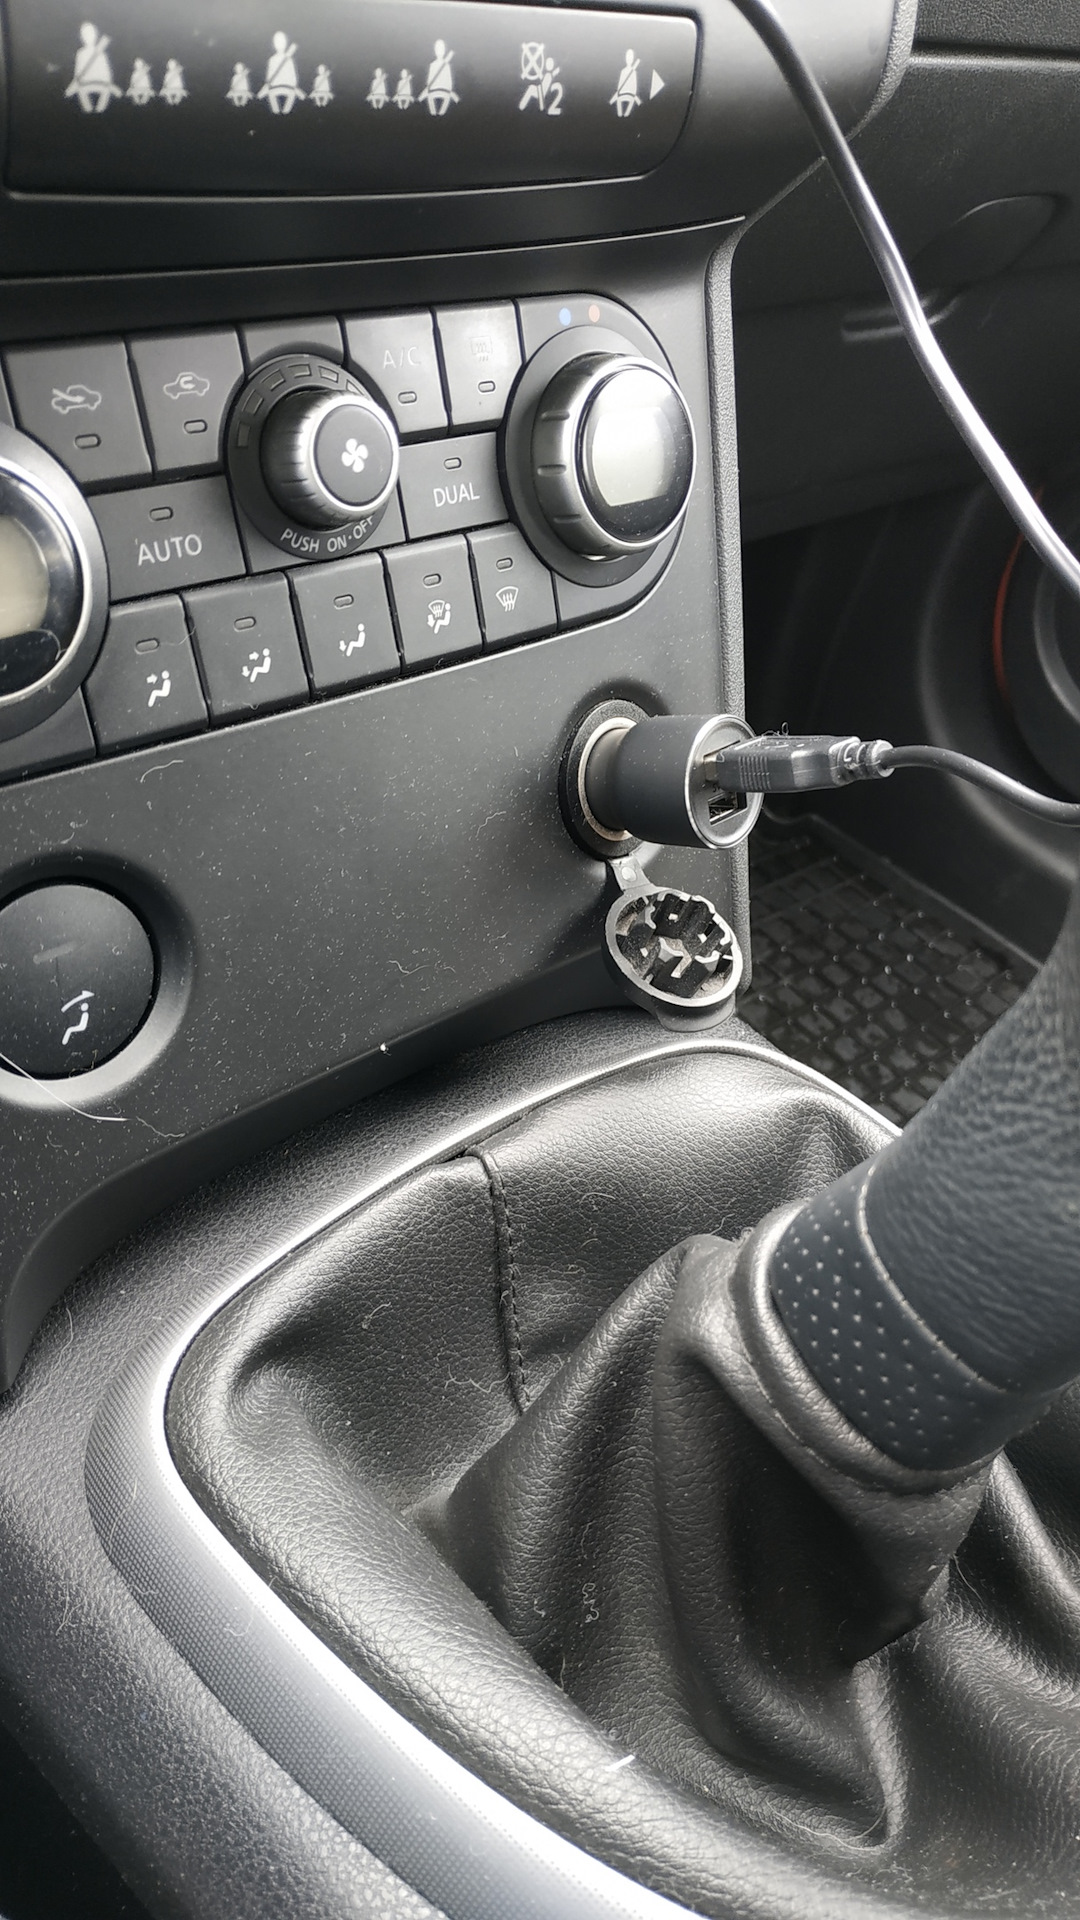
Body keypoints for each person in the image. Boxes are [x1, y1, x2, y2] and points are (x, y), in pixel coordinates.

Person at [65, 23, 121, 114]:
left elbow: (106, 70)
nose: (88, 37)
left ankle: (100, 111)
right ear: (81, 37)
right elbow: (78, 72)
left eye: (91, 33)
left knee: (106, 92)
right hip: (84, 83)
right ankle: (88, 111)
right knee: (81, 93)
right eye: (85, 34)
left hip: (101, 82)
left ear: (96, 35)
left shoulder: (102, 54)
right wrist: (74, 84)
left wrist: (109, 83)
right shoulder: (80, 53)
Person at [258, 33, 304, 115]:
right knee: (270, 96)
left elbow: (293, 75)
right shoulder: (272, 59)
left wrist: (294, 86)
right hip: (274, 86)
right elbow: (269, 76)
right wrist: (268, 85)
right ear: (274, 44)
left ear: (286, 43)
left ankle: (286, 112)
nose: (279, 44)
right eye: (277, 42)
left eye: (282, 42)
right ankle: (276, 113)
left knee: (292, 95)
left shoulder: (289, 60)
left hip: (288, 85)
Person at [419, 39, 458, 117]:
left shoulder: (447, 66)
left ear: (444, 50)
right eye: (437, 48)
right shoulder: (432, 65)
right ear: (435, 50)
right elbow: (429, 80)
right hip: (433, 89)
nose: (439, 51)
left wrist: (450, 90)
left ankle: (441, 115)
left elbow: (449, 79)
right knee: (430, 101)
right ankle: (434, 115)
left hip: (445, 89)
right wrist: (427, 89)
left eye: (441, 48)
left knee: (447, 100)